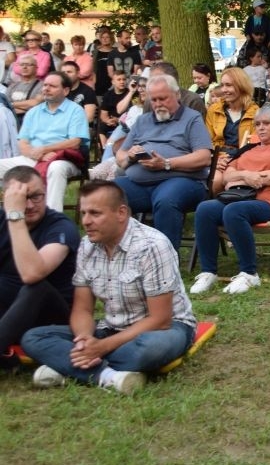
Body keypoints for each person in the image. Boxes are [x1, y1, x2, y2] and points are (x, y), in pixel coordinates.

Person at [20, 180, 197, 394]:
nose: (86, 221)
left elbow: (160, 319)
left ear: (121, 213)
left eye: (95, 213)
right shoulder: (87, 245)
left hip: (164, 328)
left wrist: (101, 347)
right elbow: (82, 309)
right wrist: (84, 339)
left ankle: (66, 366)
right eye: (83, 213)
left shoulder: (152, 246)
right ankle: (106, 375)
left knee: (150, 349)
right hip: (111, 328)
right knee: (33, 338)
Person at [191, 107, 270, 295]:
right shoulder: (246, 150)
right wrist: (247, 176)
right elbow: (227, 176)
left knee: (234, 211)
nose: (261, 128)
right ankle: (208, 272)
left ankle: (249, 273)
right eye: (257, 124)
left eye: (266, 123)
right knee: (205, 209)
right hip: (239, 198)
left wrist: (245, 177)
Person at [114, 75, 213, 250]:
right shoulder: (143, 121)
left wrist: (166, 163)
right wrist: (130, 156)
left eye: (163, 98)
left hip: (183, 181)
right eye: (154, 100)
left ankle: (165, 259)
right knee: (108, 194)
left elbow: (203, 157)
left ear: (177, 95)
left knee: (166, 200)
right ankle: (120, 253)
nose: (158, 104)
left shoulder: (192, 118)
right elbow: (120, 156)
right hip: (140, 184)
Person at [0, 167, 80, 361]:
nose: (29, 205)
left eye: (36, 196)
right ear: (6, 198)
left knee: (37, 288)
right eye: (21, 199)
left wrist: (15, 216)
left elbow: (32, 274)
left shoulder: (61, 227)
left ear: (45, 192)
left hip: (48, 319)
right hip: (7, 312)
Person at [0, 72, 90, 212]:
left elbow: (75, 142)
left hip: (64, 158)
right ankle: (12, 210)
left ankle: (52, 217)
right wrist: (38, 154)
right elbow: (22, 143)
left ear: (65, 91)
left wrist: (44, 150)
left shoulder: (76, 111)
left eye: (52, 86)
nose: (46, 89)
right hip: (34, 157)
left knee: (56, 168)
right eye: (45, 85)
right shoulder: (33, 112)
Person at [206, 67, 259, 193]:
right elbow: (207, 142)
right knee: (216, 181)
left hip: (244, 158)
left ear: (241, 86)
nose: (224, 90)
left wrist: (235, 161)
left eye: (229, 85)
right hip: (220, 157)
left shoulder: (256, 112)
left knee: (232, 182)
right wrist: (216, 159)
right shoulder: (214, 110)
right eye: (222, 85)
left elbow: (256, 144)